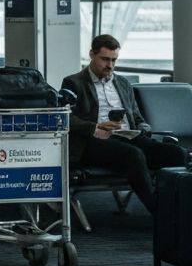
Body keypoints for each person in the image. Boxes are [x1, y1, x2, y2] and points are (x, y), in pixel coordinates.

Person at [61, 34, 184, 214]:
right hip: (95, 141)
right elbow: (66, 118)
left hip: (128, 136)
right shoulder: (73, 82)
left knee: (175, 154)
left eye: (113, 60)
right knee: (134, 155)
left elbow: (138, 118)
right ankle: (160, 213)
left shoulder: (124, 83)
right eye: (104, 59)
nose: (109, 65)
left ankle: (179, 208)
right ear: (91, 55)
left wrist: (141, 129)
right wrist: (96, 126)